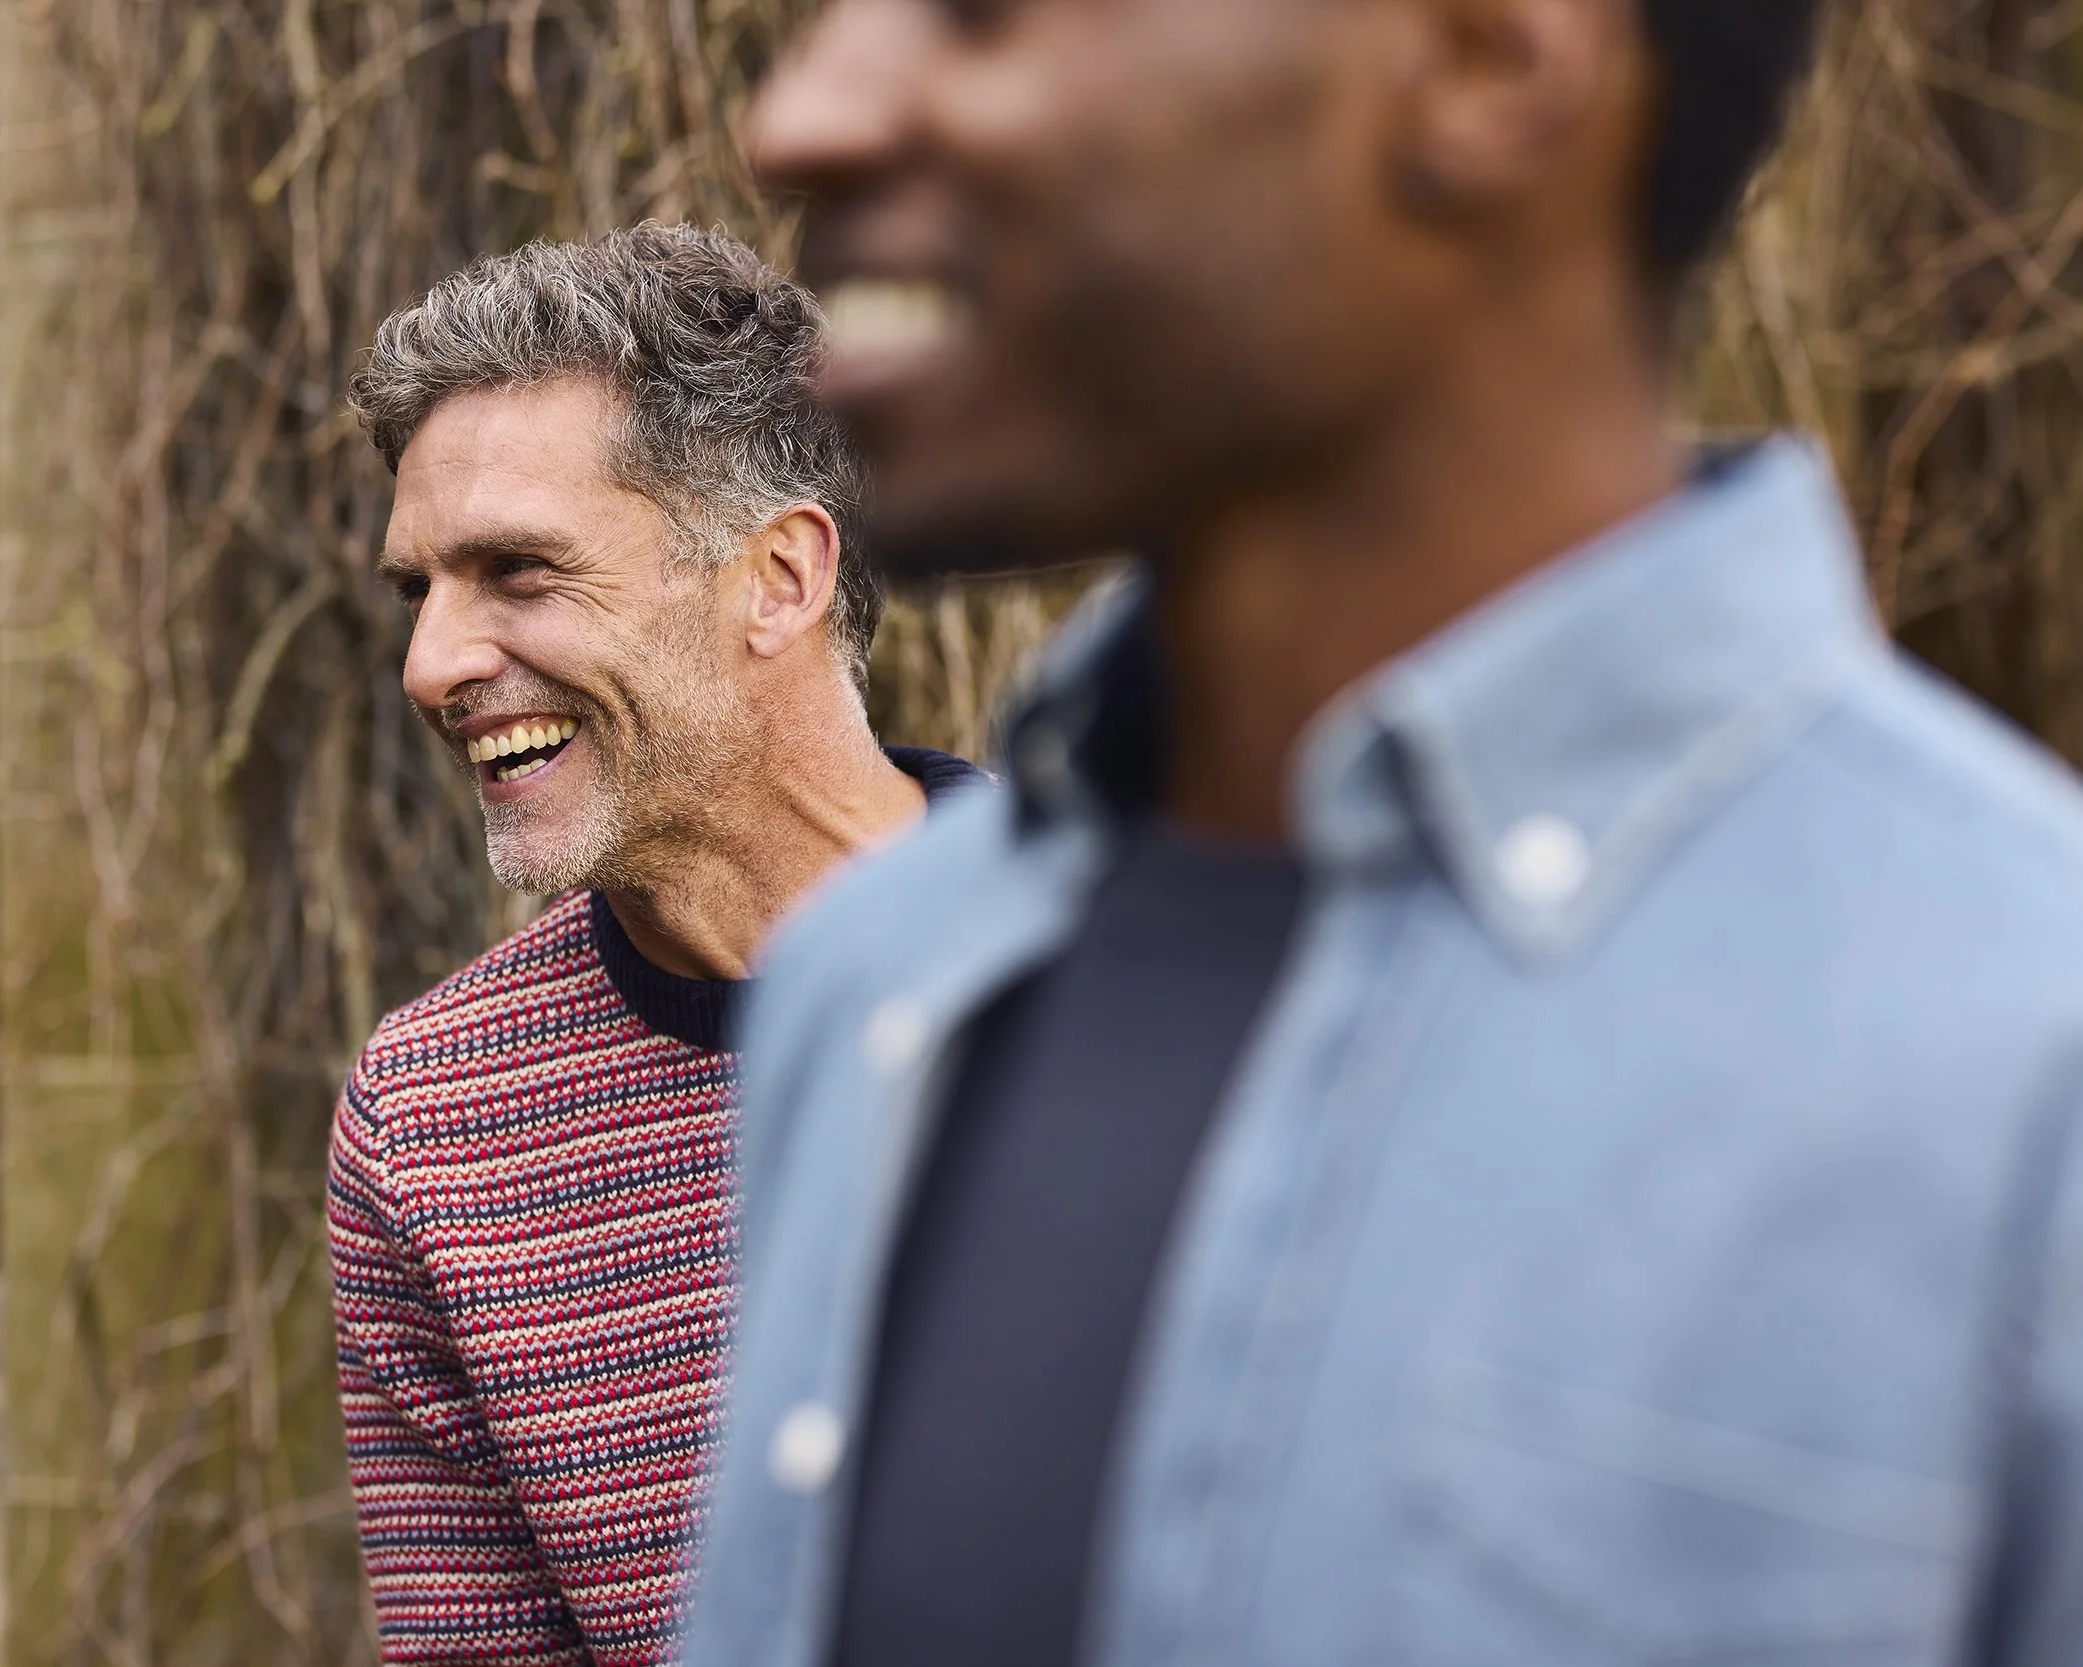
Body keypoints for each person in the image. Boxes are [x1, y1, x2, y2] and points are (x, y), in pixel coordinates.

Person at [687, 1, 2083, 1664]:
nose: (804, 115)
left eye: (982, 12)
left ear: (1491, 58)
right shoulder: (879, 984)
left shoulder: (2023, 1069)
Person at [328, 222, 984, 1666]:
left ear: (778, 577)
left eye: (518, 570)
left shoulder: (1147, 967)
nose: (431, 663)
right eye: (419, 589)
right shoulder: (436, 1121)